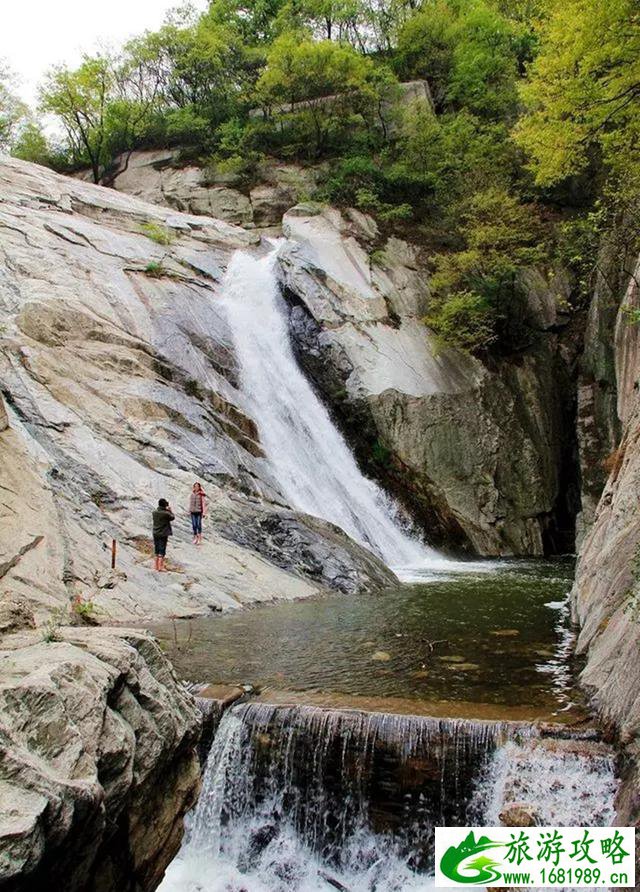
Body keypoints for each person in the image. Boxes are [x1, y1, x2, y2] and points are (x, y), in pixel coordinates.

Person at [152, 498, 175, 572]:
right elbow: (172, 517)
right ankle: (160, 566)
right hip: (163, 533)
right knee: (162, 550)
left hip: (155, 532)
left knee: (156, 549)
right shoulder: (166, 513)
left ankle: (155, 566)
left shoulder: (154, 512)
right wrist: (169, 510)